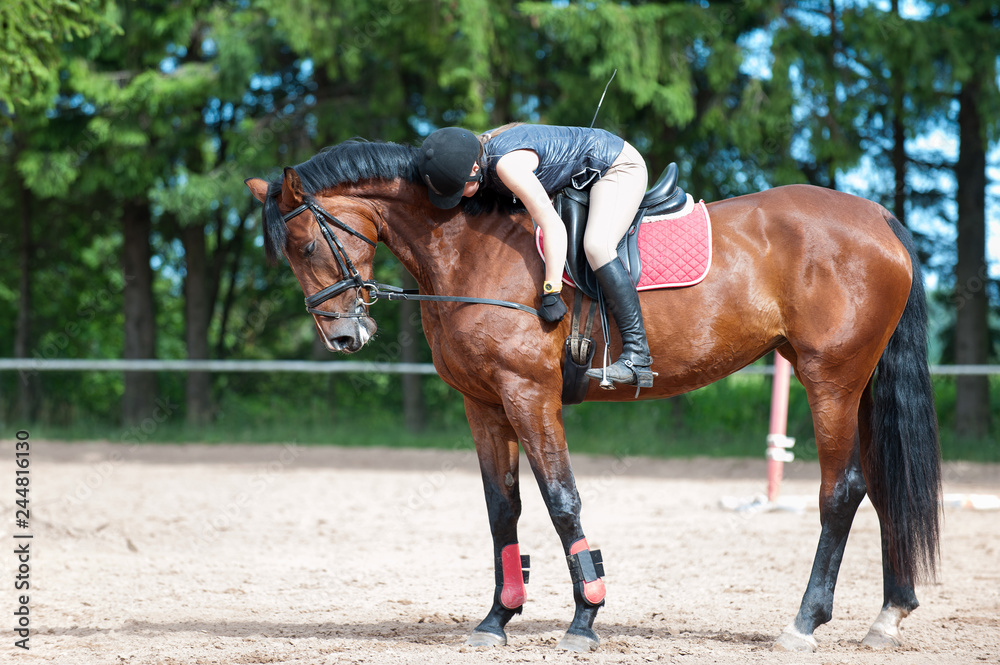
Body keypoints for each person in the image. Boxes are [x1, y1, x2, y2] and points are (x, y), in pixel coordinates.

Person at [416, 124, 653, 388]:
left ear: (474, 169)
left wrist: (551, 291)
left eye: (457, 189)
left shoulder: (507, 167)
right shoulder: (478, 152)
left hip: (617, 167)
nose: (456, 197)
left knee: (597, 246)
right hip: (586, 167)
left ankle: (637, 356)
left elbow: (552, 225)